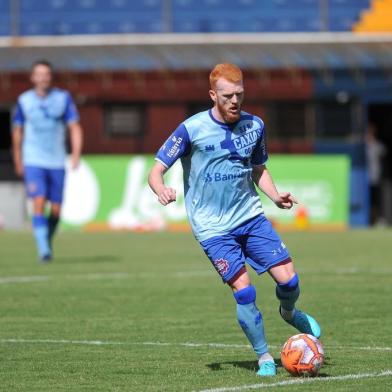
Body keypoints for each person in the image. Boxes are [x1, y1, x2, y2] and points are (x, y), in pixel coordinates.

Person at [148, 63, 321, 377]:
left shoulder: (255, 126)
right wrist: (161, 190)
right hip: (213, 228)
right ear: (213, 95)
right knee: (244, 292)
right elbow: (156, 169)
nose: (234, 101)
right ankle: (265, 357)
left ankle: (289, 311)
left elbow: (258, 168)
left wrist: (275, 195)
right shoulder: (191, 129)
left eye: (239, 94)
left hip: (251, 217)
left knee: (290, 281)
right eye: (227, 96)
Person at [12, 60, 83, 262]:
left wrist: (76, 153)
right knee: (38, 200)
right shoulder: (24, 100)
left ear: (50, 77)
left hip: (57, 160)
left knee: (56, 210)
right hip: (33, 159)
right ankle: (43, 249)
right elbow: (18, 131)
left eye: (46, 74)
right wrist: (18, 158)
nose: (43, 77)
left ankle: (46, 240)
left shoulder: (63, 98)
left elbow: (75, 127)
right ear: (33, 77)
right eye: (39, 74)